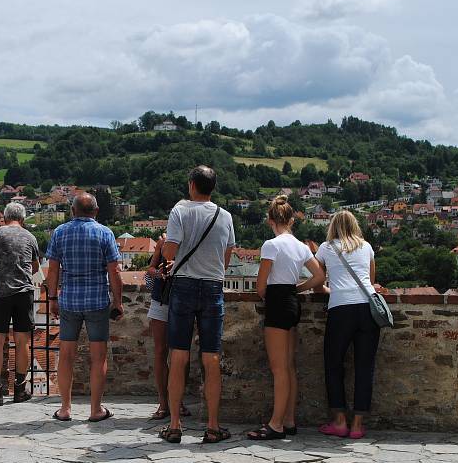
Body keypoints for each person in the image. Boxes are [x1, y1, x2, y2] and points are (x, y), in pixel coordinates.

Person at [159, 166, 235, 444]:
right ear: (212, 187)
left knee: (178, 355)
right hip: (213, 285)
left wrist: (168, 247)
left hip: (184, 285)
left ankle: (175, 425)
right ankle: (213, 426)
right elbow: (227, 256)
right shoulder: (225, 216)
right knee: (211, 357)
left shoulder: (180, 211)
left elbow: (170, 251)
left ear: (192, 184)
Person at [247, 196, 325, 440]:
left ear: (270, 220)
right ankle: (289, 420)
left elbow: (261, 285)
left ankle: (276, 424)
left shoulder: (271, 245)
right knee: (289, 367)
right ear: (292, 220)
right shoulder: (301, 246)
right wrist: (298, 288)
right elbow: (319, 276)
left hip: (278, 302)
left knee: (278, 368)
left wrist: (269, 294)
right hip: (292, 300)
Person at [45, 193, 123, 422]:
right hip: (97, 301)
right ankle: (95, 409)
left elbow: (53, 272)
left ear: (73, 211)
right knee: (98, 357)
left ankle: (65, 408)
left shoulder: (60, 232)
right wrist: (117, 302)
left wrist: (52, 298)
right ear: (96, 211)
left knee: (66, 355)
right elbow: (114, 272)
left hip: (69, 300)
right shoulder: (105, 233)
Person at [313, 210, 379, 440]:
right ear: (355, 225)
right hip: (367, 310)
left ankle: (340, 421)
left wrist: (333, 290)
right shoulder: (367, 247)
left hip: (341, 308)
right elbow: (370, 282)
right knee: (364, 367)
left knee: (333, 364)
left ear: (333, 226)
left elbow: (318, 283)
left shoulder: (326, 247)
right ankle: (358, 425)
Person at [0, 203, 40, 406]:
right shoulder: (30, 237)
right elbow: (35, 266)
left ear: (5, 218)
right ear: (22, 219)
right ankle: (20, 389)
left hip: (0, 293)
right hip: (24, 293)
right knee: (23, 342)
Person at [146, 233, 192, 420]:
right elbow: (150, 268)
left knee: (180, 352)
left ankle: (177, 400)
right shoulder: (163, 241)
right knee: (160, 351)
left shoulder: (191, 239)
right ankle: (164, 402)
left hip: (184, 299)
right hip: (162, 298)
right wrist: (158, 272)